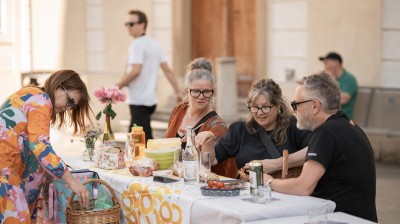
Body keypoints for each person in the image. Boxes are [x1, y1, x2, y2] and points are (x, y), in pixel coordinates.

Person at [263, 72, 377, 222]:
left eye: (295, 104)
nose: (293, 111)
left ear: (315, 106)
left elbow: (303, 187)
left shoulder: (325, 133)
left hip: (340, 219)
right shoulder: (349, 126)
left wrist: (269, 182)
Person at [0, 70, 91, 223]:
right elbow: (40, 146)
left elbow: (31, 147)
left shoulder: (33, 96)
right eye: (70, 101)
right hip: (5, 171)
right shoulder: (40, 99)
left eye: (73, 106)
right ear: (59, 86)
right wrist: (71, 180)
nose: (69, 108)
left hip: (12, 171)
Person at [195, 78, 312, 176]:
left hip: (284, 194)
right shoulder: (239, 129)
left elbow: (314, 150)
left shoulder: (294, 125)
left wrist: (276, 164)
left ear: (278, 106)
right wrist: (208, 141)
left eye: (265, 107)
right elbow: (211, 160)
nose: (260, 113)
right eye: (255, 107)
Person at [164, 58, 237, 178]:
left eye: (206, 92)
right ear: (187, 91)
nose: (201, 97)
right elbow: (165, 145)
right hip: (171, 180)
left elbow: (210, 167)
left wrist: (193, 145)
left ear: (212, 92)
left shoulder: (217, 126)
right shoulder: (179, 110)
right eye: (196, 91)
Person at [116, 9, 182, 140]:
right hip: (150, 100)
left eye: (131, 24)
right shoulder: (155, 44)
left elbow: (135, 70)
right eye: (127, 24)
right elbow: (167, 70)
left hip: (139, 100)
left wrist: (116, 87)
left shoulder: (137, 44)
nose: (128, 27)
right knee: (139, 138)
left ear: (142, 24)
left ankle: (149, 160)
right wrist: (177, 91)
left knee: (138, 141)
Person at [319, 52, 358, 119]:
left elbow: (343, 99)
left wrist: (330, 84)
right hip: (328, 117)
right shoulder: (329, 79)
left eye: (326, 63)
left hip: (343, 118)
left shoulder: (349, 79)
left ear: (336, 63)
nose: (325, 66)